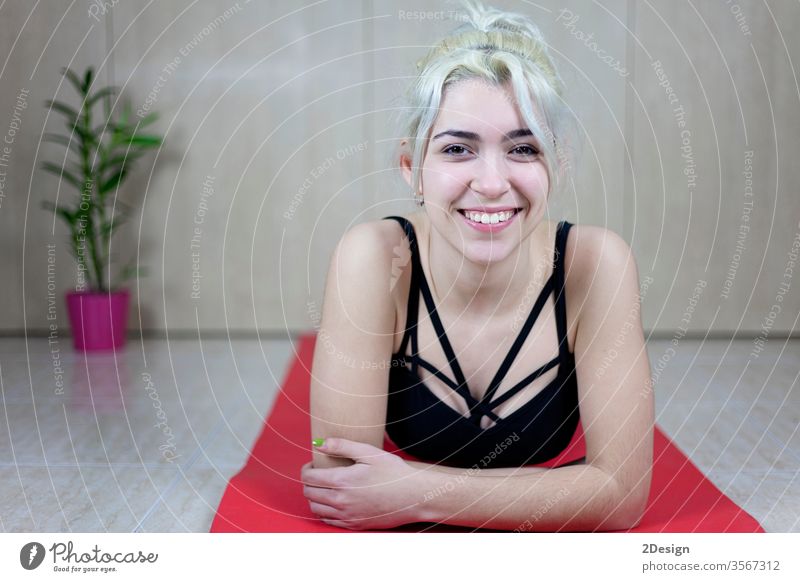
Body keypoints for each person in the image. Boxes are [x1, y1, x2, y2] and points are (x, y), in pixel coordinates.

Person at [301, 0, 653, 532]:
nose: (491, 182)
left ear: (557, 165)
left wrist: (419, 493)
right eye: (458, 149)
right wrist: (567, 491)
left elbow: (621, 496)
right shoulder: (374, 259)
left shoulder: (595, 265)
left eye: (523, 149)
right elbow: (342, 483)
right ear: (411, 167)